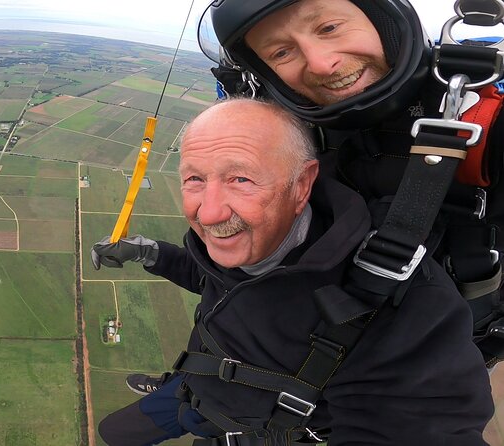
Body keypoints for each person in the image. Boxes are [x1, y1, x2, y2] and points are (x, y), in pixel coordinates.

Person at [130, 0, 504, 395]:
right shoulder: (290, 126)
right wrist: (156, 255)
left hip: (410, 373)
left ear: (384, 20)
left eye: (328, 27)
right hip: (283, 348)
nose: (321, 63)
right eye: (281, 52)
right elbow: (239, 270)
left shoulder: (484, 124)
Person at [91, 98, 493, 445]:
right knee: (111, 434)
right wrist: (151, 253)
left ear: (302, 185)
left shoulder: (400, 302)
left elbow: (422, 422)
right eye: (194, 178)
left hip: (248, 425)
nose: (208, 212)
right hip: (192, 386)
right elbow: (214, 280)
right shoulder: (255, 239)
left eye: (241, 178)